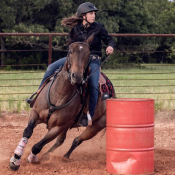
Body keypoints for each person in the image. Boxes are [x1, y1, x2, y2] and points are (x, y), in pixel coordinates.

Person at [26, 2, 116, 126]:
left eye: (94, 13)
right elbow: (70, 44)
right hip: (76, 59)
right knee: (51, 68)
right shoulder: (75, 29)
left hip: (93, 60)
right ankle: (37, 95)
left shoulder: (99, 27)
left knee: (94, 85)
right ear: (83, 16)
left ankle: (89, 114)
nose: (93, 15)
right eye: (91, 13)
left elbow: (109, 39)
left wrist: (110, 46)